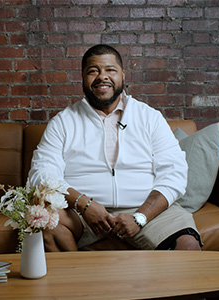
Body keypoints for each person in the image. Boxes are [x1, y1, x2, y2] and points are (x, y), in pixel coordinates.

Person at [28, 44, 202, 251]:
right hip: (80, 212)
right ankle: (77, 278)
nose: (102, 76)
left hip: (144, 207)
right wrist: (84, 204)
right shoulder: (63, 122)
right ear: (82, 78)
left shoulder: (150, 117)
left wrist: (140, 217)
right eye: (93, 71)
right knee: (46, 222)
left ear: (123, 75)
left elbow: (175, 173)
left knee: (188, 246)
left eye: (110, 70)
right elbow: (41, 174)